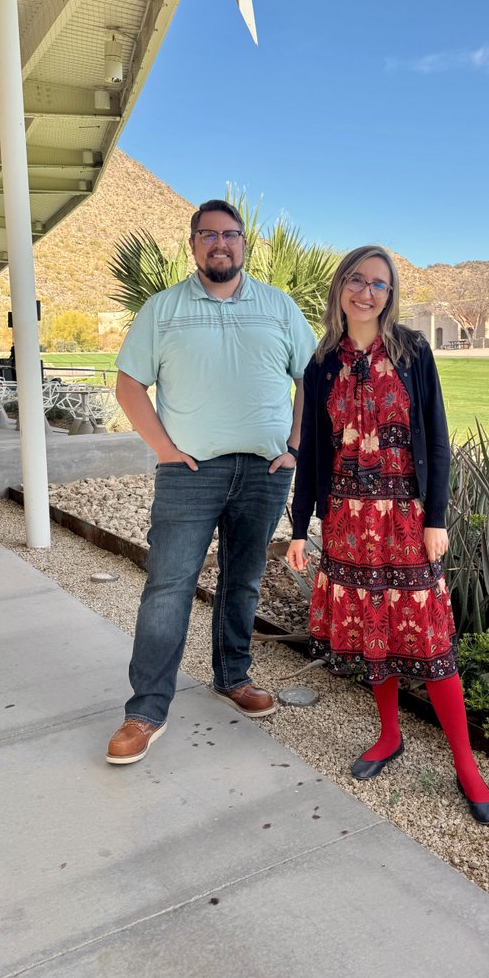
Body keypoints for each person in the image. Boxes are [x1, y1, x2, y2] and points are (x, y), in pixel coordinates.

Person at [286, 246, 489, 823]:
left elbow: (436, 438)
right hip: (347, 522)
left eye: (378, 283)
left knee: (430, 639)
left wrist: (438, 517)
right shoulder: (320, 364)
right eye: (356, 280)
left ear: (390, 293)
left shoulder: (413, 351)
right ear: (340, 288)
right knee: (369, 630)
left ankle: (465, 764)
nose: (365, 291)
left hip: (406, 518)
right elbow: (311, 454)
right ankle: (389, 736)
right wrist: (301, 528)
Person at [106, 200, 316, 765]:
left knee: (243, 581)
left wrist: (296, 444)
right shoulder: (163, 309)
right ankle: (145, 711)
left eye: (230, 235)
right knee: (167, 586)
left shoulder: (278, 306)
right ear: (193, 244)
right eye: (208, 235)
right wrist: (165, 451)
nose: (219, 244)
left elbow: (311, 379)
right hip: (190, 474)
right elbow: (128, 384)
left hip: (264, 471)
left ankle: (233, 675)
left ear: (244, 244)